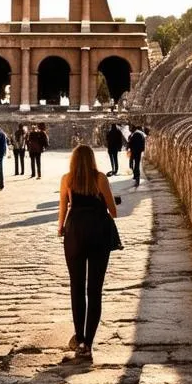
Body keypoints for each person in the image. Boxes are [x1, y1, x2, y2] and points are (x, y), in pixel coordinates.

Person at [57, 144, 118, 359]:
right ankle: (88, 344)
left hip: (75, 234)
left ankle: (79, 338)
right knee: (94, 290)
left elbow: (63, 209)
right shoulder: (100, 178)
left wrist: (61, 229)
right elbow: (113, 211)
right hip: (99, 235)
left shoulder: (67, 179)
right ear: (92, 159)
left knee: (76, 287)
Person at [128, 124, 147, 188]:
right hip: (138, 152)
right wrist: (142, 150)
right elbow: (143, 143)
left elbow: (130, 143)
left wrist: (129, 147)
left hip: (134, 151)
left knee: (133, 163)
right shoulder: (141, 134)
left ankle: (136, 176)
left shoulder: (134, 135)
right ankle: (136, 176)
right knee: (137, 164)